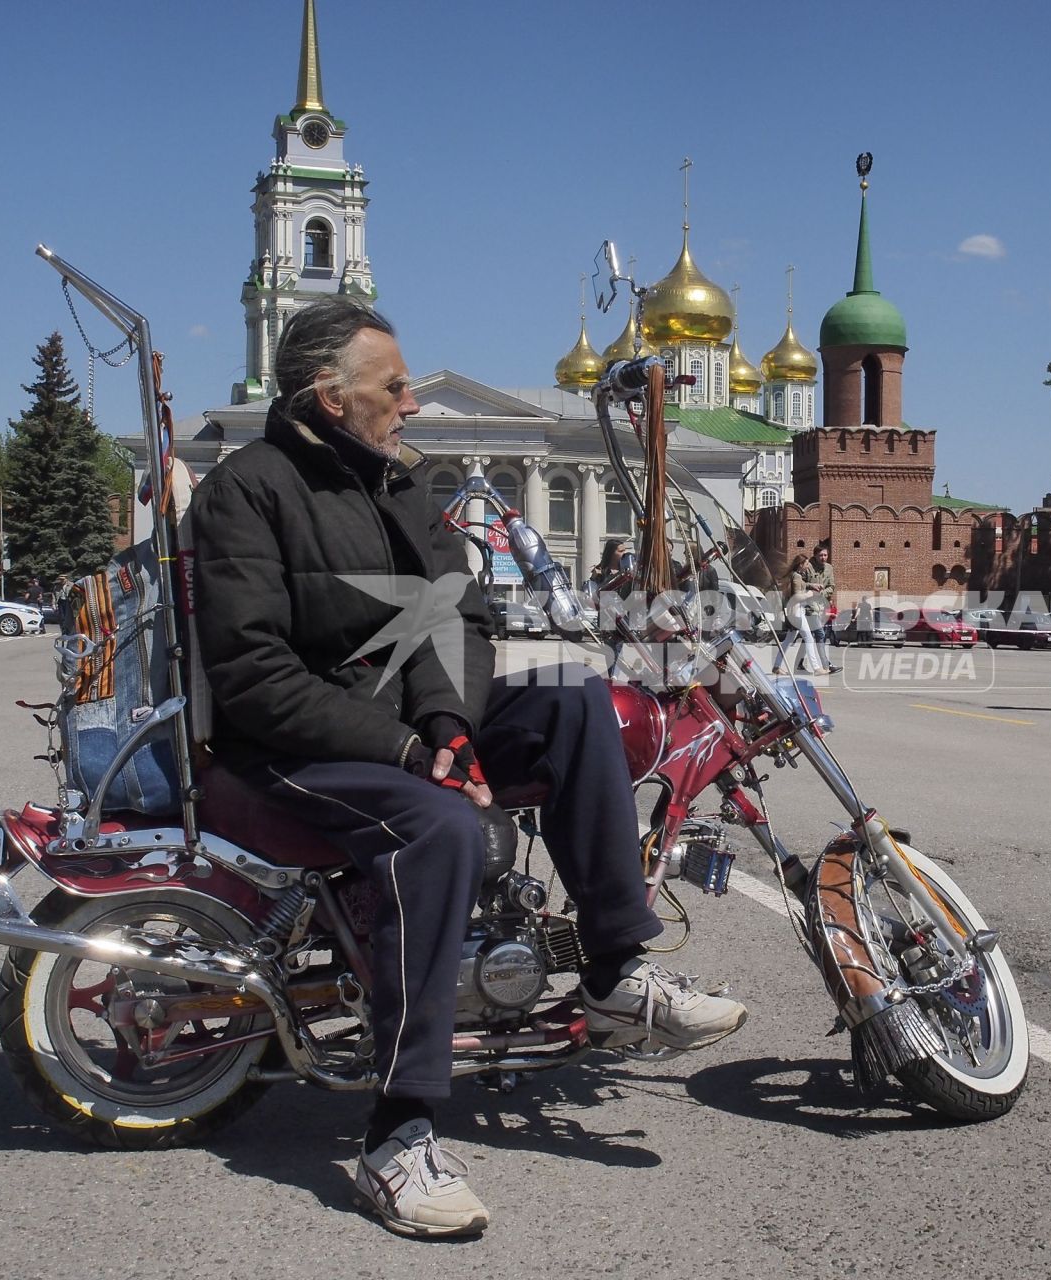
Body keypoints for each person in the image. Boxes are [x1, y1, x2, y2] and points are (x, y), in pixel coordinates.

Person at [188, 299, 743, 1237]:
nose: (410, 401)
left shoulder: (399, 484)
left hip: (407, 726)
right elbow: (252, 676)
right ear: (331, 398)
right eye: (393, 386)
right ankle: (397, 1136)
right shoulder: (249, 488)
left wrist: (447, 723)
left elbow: (464, 617)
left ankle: (612, 975)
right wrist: (410, 750)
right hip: (290, 749)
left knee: (575, 699)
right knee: (438, 825)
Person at [771, 552, 822, 675]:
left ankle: (776, 666)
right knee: (809, 638)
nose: (808, 565)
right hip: (797, 611)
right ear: (801, 564)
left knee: (788, 640)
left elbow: (801, 585)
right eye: (806, 563)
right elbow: (797, 596)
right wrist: (810, 594)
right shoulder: (797, 576)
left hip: (792, 611)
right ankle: (816, 668)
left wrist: (812, 585)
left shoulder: (794, 575)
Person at [804, 545, 841, 672]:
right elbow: (799, 584)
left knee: (807, 636)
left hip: (821, 606)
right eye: (821, 555)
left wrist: (822, 594)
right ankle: (826, 665)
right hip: (808, 606)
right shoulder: (807, 567)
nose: (823, 558)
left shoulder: (829, 568)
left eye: (825, 555)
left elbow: (832, 586)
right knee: (820, 635)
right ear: (815, 555)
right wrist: (812, 587)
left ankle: (798, 663)